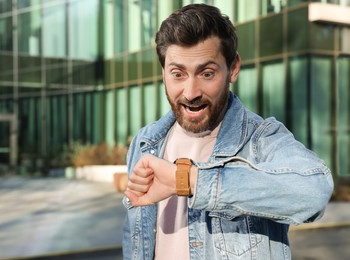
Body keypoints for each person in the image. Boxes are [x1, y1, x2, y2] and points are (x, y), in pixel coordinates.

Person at [122, 3, 333, 260]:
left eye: (207, 73)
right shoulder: (145, 143)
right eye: (177, 74)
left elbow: (314, 191)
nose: (191, 93)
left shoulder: (260, 140)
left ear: (233, 68)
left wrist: (187, 180)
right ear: (164, 73)